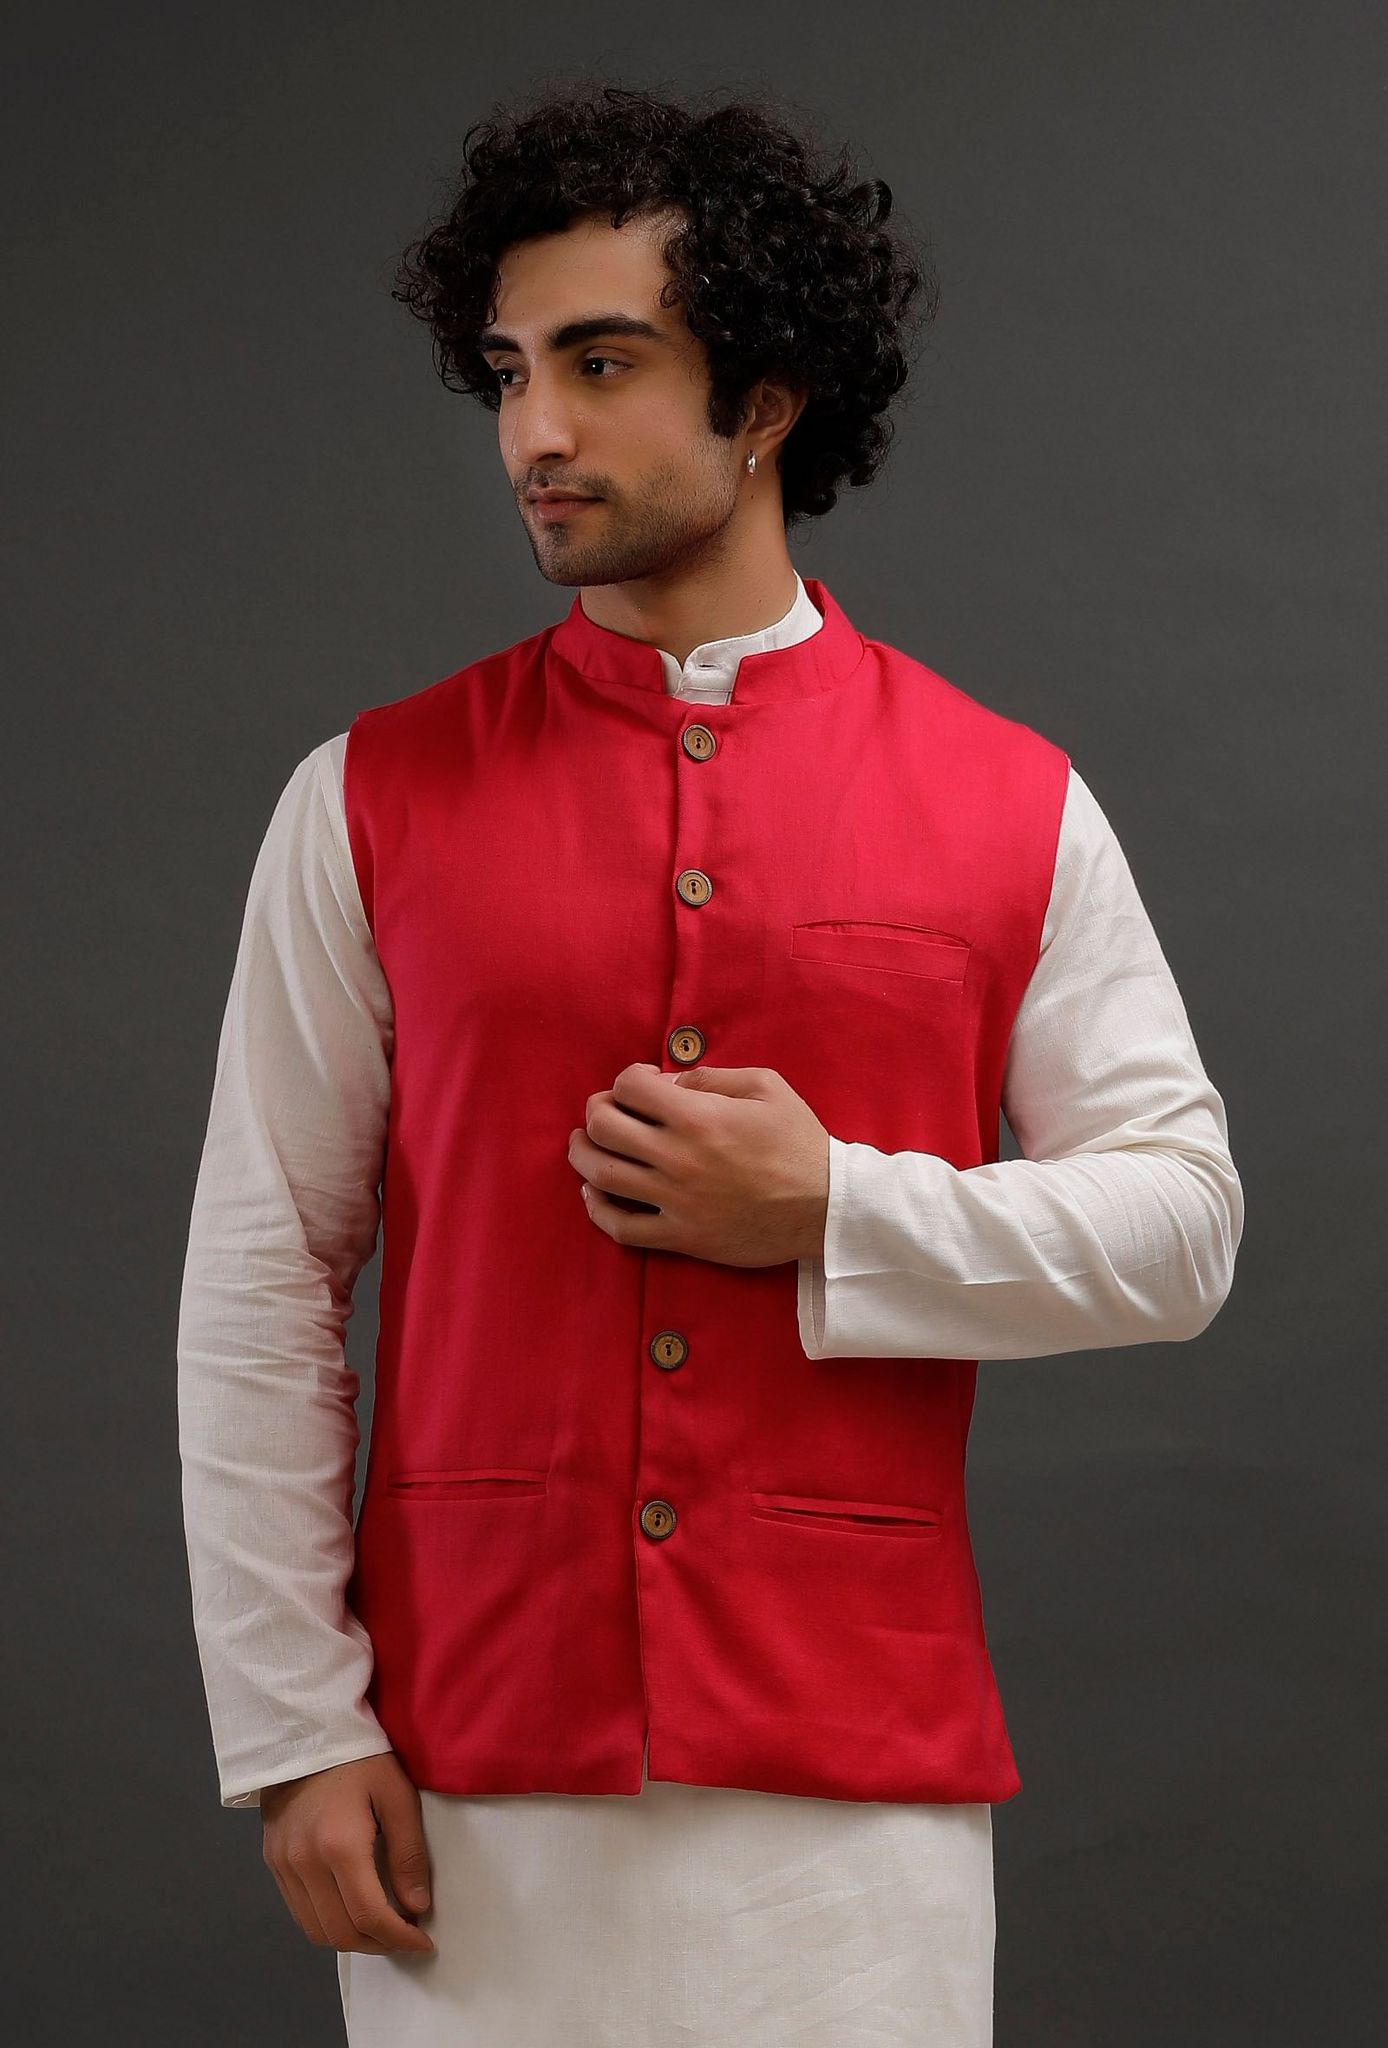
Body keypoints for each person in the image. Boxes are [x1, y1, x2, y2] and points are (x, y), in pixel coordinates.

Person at [176, 82, 1244, 2047]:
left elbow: (1182, 1226)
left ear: (765, 399)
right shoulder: (366, 798)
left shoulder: (1011, 800)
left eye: (601, 365)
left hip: (853, 1776)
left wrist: (834, 1206)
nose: (535, 432)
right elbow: (262, 1272)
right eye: (508, 373)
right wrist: (294, 1726)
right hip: (470, 1758)